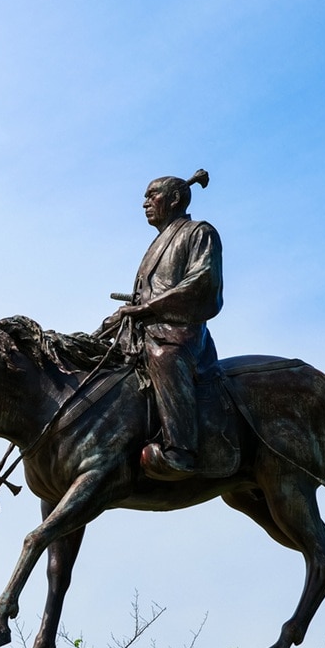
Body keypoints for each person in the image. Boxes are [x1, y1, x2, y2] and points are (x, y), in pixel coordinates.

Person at [98, 169, 221, 480]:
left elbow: (203, 281)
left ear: (175, 198)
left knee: (162, 358)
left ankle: (180, 449)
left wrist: (150, 307)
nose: (145, 203)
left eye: (151, 195)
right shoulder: (157, 244)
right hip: (145, 329)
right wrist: (122, 316)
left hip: (178, 333)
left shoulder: (198, 233)